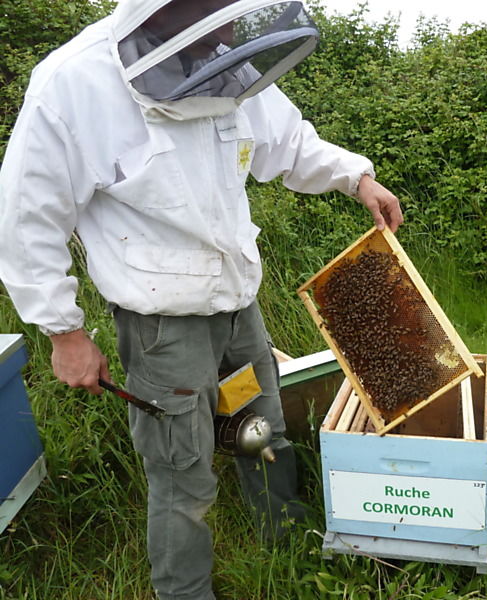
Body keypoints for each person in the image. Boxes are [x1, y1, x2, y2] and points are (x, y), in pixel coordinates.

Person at [0, 1, 403, 598]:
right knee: (182, 474)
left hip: (237, 309)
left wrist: (355, 175)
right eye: (216, 10)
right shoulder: (74, 83)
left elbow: (287, 143)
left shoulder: (221, 60)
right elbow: (26, 217)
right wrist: (63, 331)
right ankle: (184, 590)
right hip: (165, 332)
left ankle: (284, 545)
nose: (230, 28)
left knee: (256, 424)